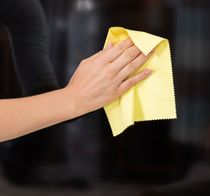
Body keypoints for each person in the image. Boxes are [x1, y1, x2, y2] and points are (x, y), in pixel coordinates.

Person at [0, 2, 152, 140]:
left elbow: (44, 100)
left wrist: (103, 79)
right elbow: (67, 101)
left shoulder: (21, 7)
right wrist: (74, 98)